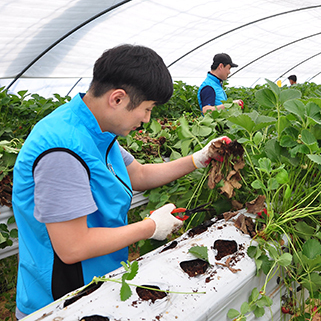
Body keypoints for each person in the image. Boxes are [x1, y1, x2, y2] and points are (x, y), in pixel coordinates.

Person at [12, 44, 230, 319]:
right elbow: (72, 247)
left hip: (98, 285)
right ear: (117, 99)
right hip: (62, 301)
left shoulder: (98, 130)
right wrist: (151, 227)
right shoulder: (62, 151)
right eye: (147, 109)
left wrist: (198, 159)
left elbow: (137, 174)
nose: (147, 119)